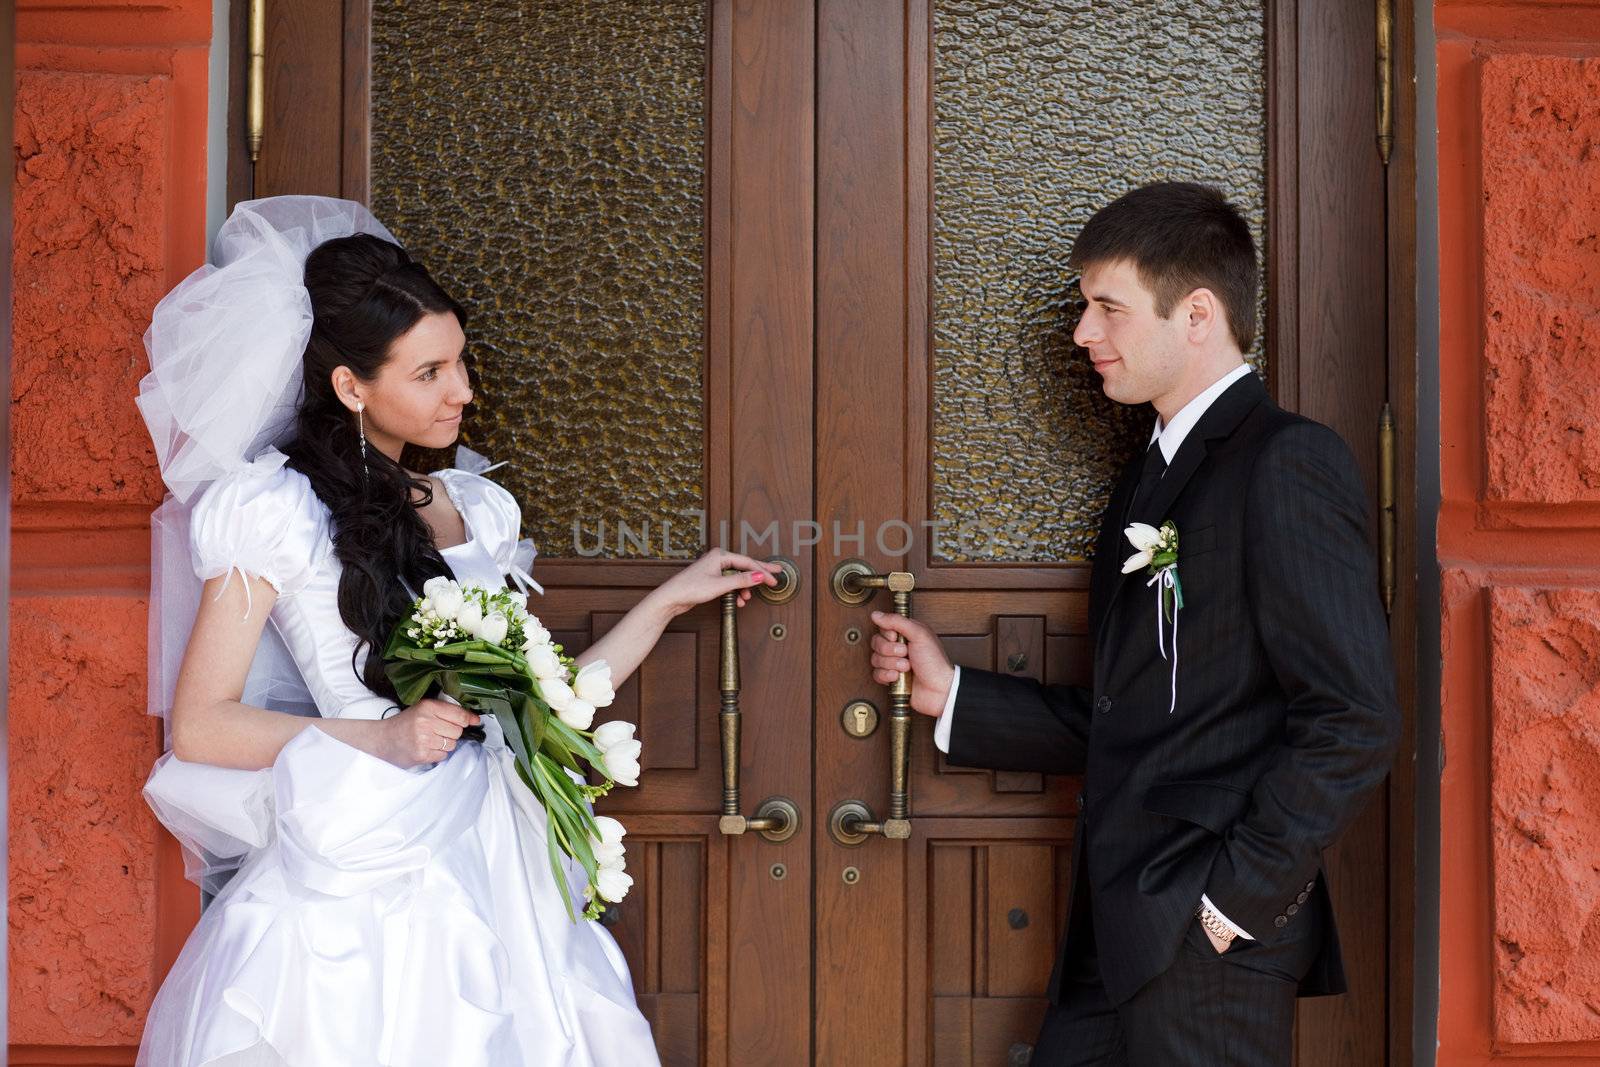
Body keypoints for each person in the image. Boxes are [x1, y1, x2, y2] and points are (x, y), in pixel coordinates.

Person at [134, 196, 778, 1067]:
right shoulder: (271, 511)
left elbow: (550, 695)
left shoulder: (478, 509)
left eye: (460, 363)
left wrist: (669, 599)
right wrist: (383, 734)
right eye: (429, 372)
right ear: (351, 385)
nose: (463, 391)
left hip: (499, 839)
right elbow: (204, 722)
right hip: (367, 852)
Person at [869, 182, 1401, 1066]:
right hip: (1115, 931)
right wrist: (954, 694)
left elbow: (1356, 715)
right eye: (1085, 308)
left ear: (1197, 313)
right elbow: (1142, 714)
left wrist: (1236, 900)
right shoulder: (1142, 480)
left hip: (1207, 941)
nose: (1083, 333)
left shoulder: (1285, 462)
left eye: (1106, 307)